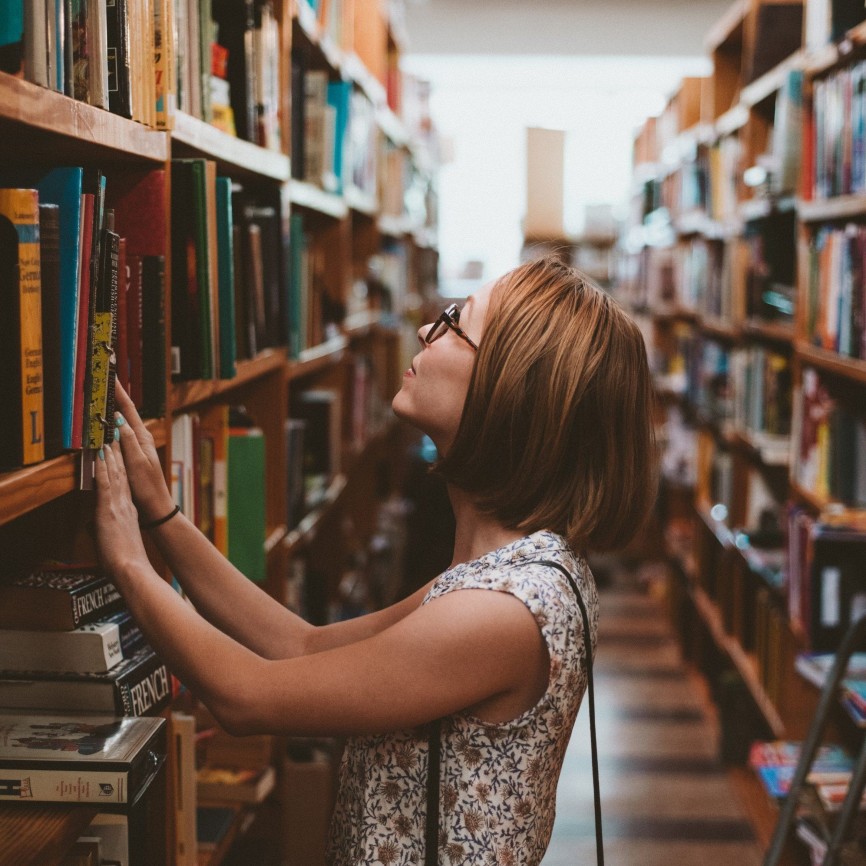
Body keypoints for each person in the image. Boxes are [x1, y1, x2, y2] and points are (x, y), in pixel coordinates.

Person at [94, 255, 657, 866]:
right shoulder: (508, 574)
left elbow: (244, 697)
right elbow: (302, 646)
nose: (424, 331)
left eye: (453, 323)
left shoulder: (501, 612)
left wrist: (128, 561)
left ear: (509, 390)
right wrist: (162, 518)